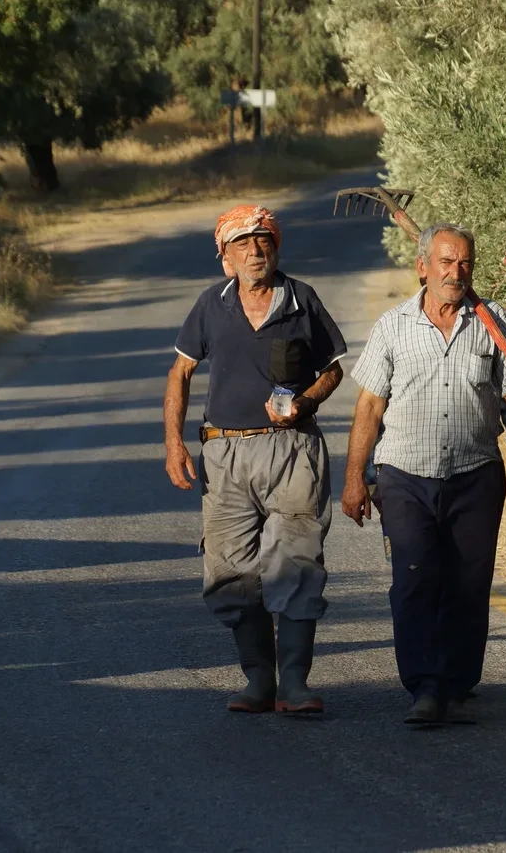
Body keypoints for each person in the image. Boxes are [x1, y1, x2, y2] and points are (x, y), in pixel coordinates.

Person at [341, 222, 506, 726]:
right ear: (422, 267)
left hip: (474, 473)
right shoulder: (392, 326)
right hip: (403, 475)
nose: (455, 272)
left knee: (468, 583)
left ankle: (457, 684)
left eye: (464, 263)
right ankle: (424, 686)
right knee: (415, 578)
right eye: (445, 262)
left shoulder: (494, 322)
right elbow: (370, 406)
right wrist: (355, 477)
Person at [163, 205, 347, 715]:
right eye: (241, 244)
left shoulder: (301, 298)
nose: (255, 251)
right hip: (223, 452)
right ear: (225, 257)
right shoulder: (209, 304)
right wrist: (174, 443)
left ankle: (294, 682)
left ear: (277, 247)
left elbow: (333, 369)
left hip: (292, 452)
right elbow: (180, 374)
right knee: (229, 568)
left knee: (296, 560)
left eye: (263, 241)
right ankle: (258, 680)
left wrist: (307, 401)